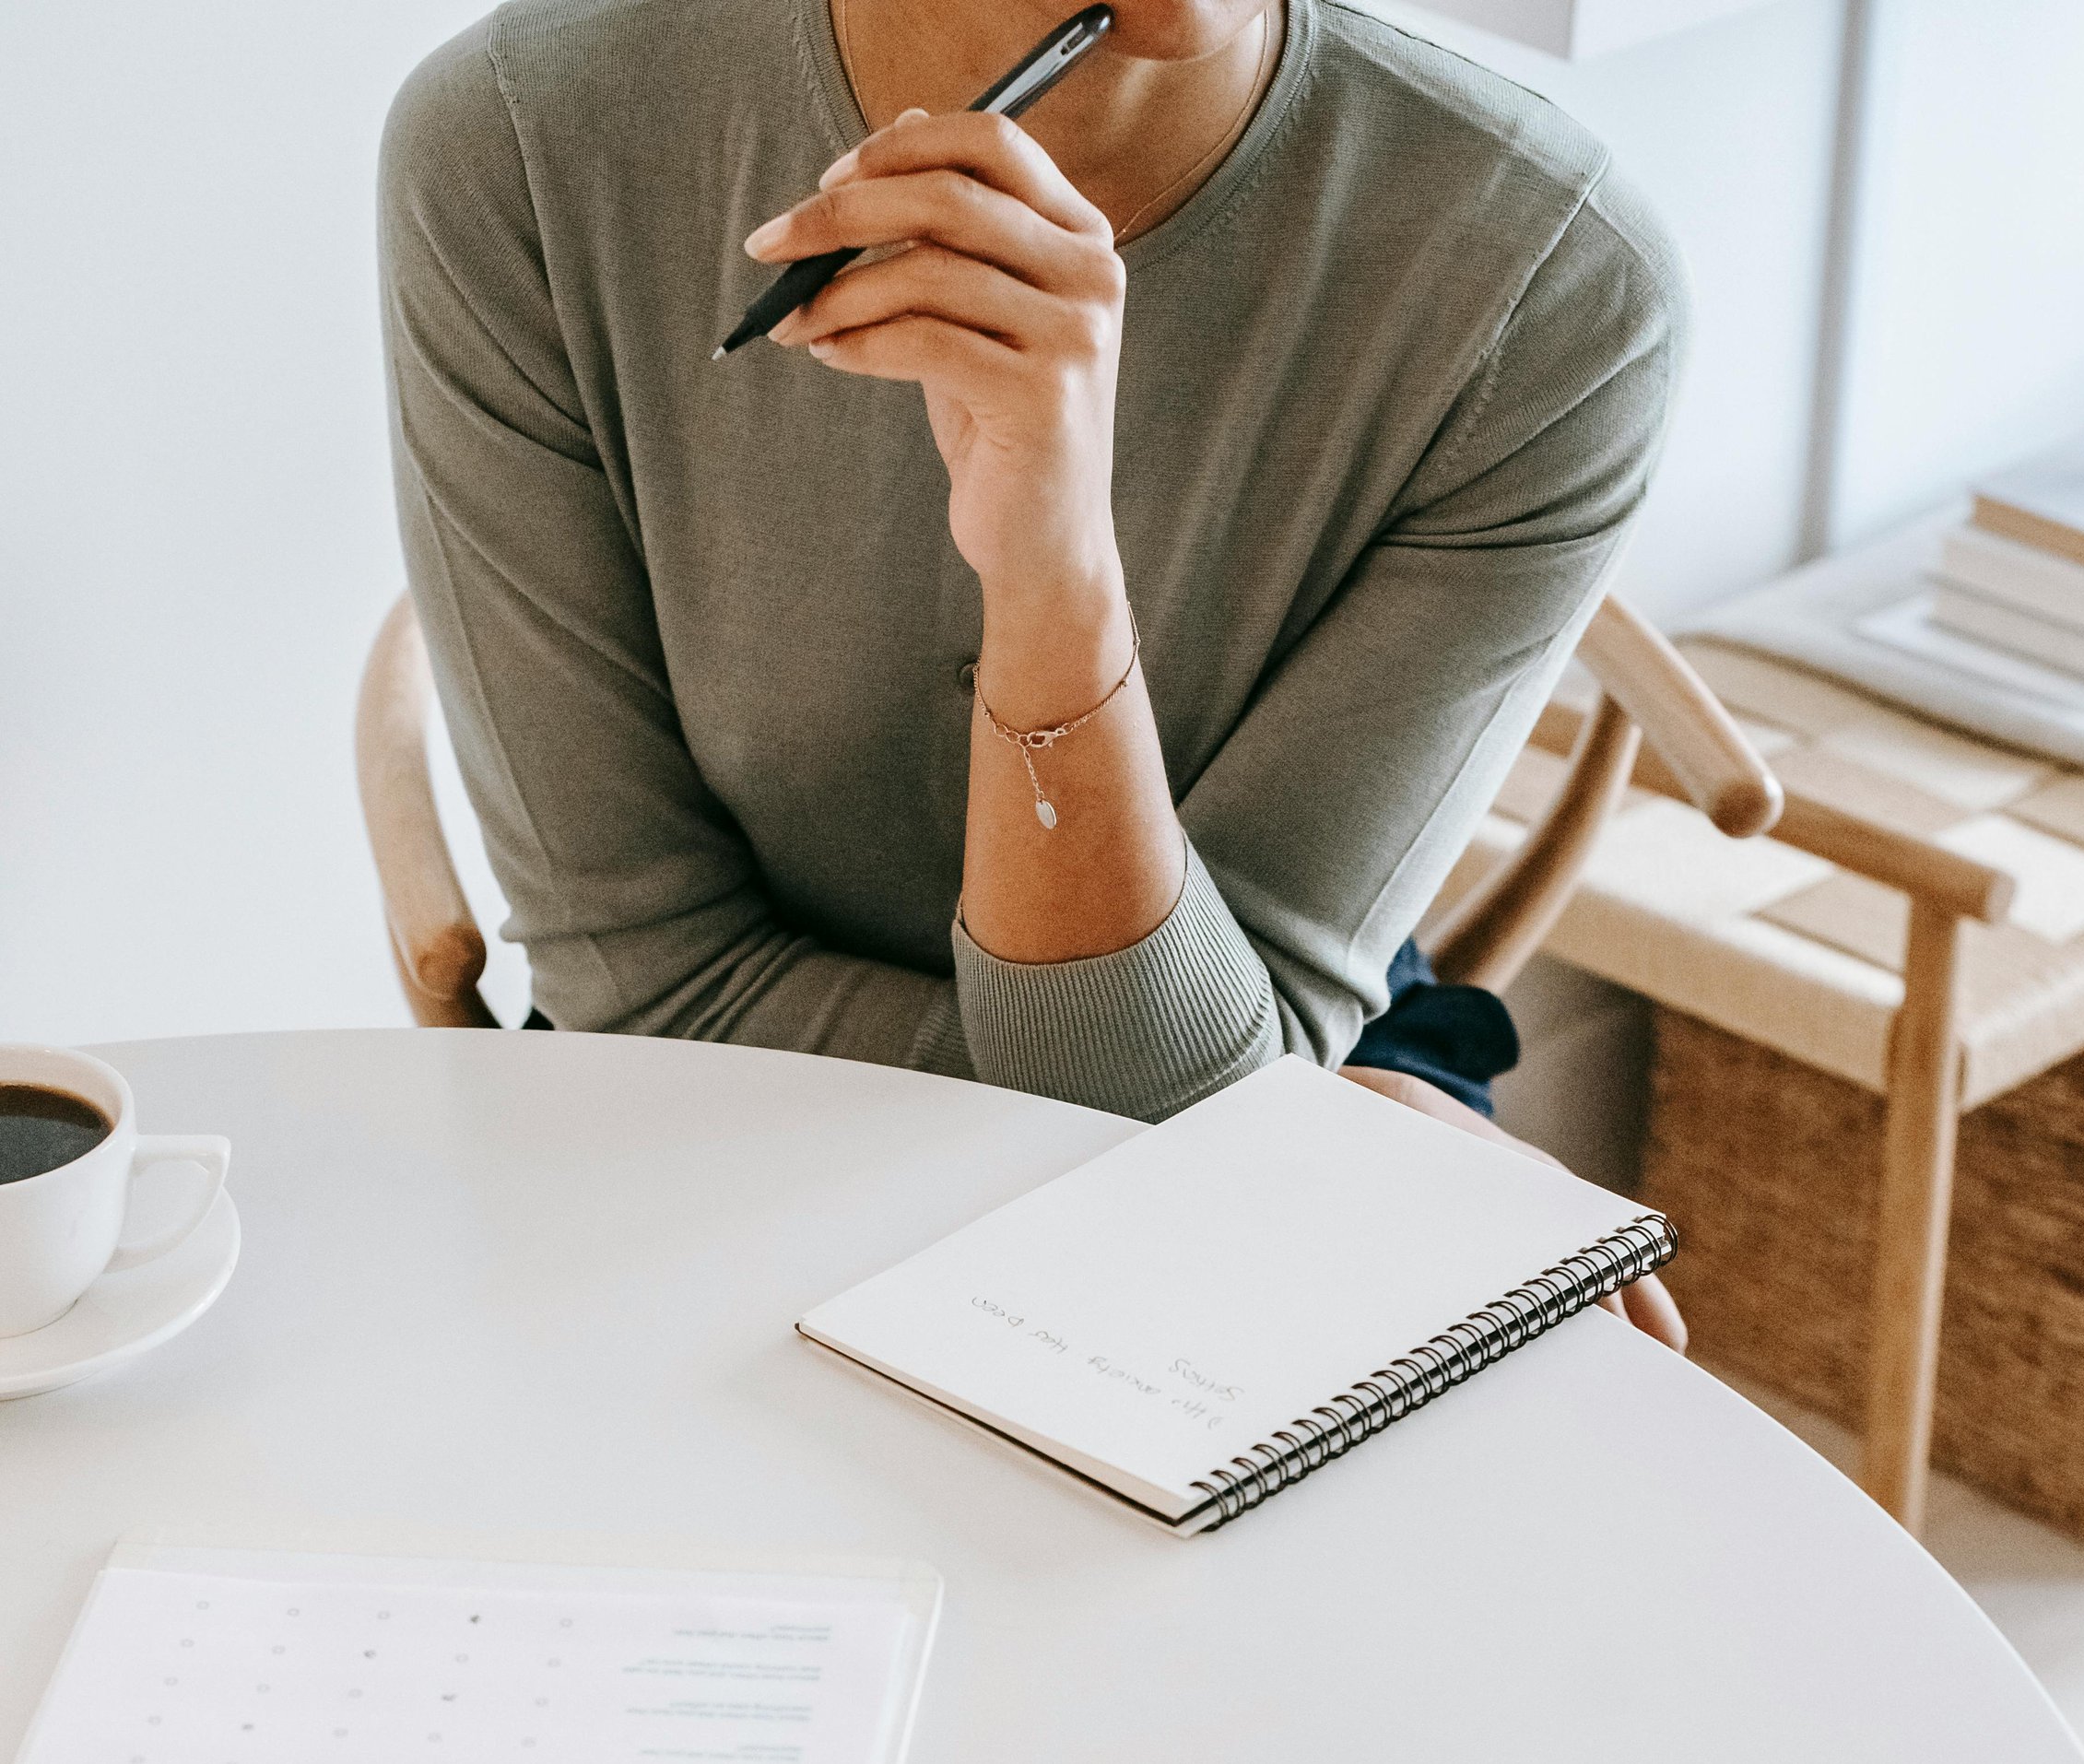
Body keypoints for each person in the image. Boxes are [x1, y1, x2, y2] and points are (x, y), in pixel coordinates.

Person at [381, 0, 1687, 1346]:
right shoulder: (522, 145)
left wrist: (1055, 579)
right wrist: (1268, 1110)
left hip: (1253, 1086)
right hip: (715, 1114)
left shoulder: (1553, 287)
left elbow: (1232, 1083)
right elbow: (648, 986)